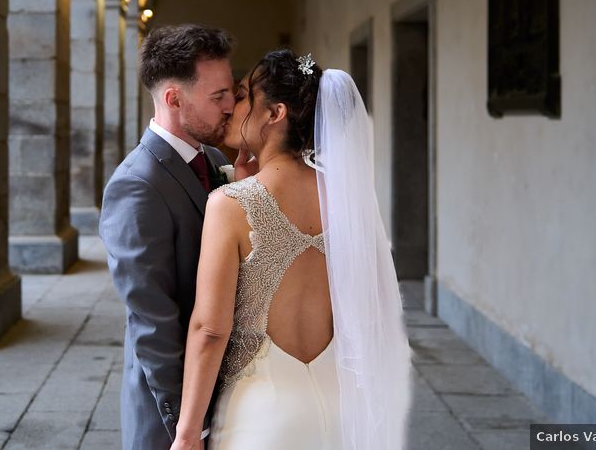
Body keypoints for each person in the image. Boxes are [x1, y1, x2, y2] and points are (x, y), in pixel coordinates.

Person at [171, 50, 413, 449]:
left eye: (245, 95)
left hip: (262, 420)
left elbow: (210, 329)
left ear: (275, 113)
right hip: (339, 412)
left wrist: (188, 432)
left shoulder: (231, 204)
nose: (231, 105)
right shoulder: (349, 199)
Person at [99, 24, 255, 449]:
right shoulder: (136, 184)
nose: (231, 106)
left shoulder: (220, 159)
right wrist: (189, 424)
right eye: (218, 96)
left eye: (230, 93)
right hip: (172, 413)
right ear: (174, 98)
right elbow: (152, 321)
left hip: (231, 389)